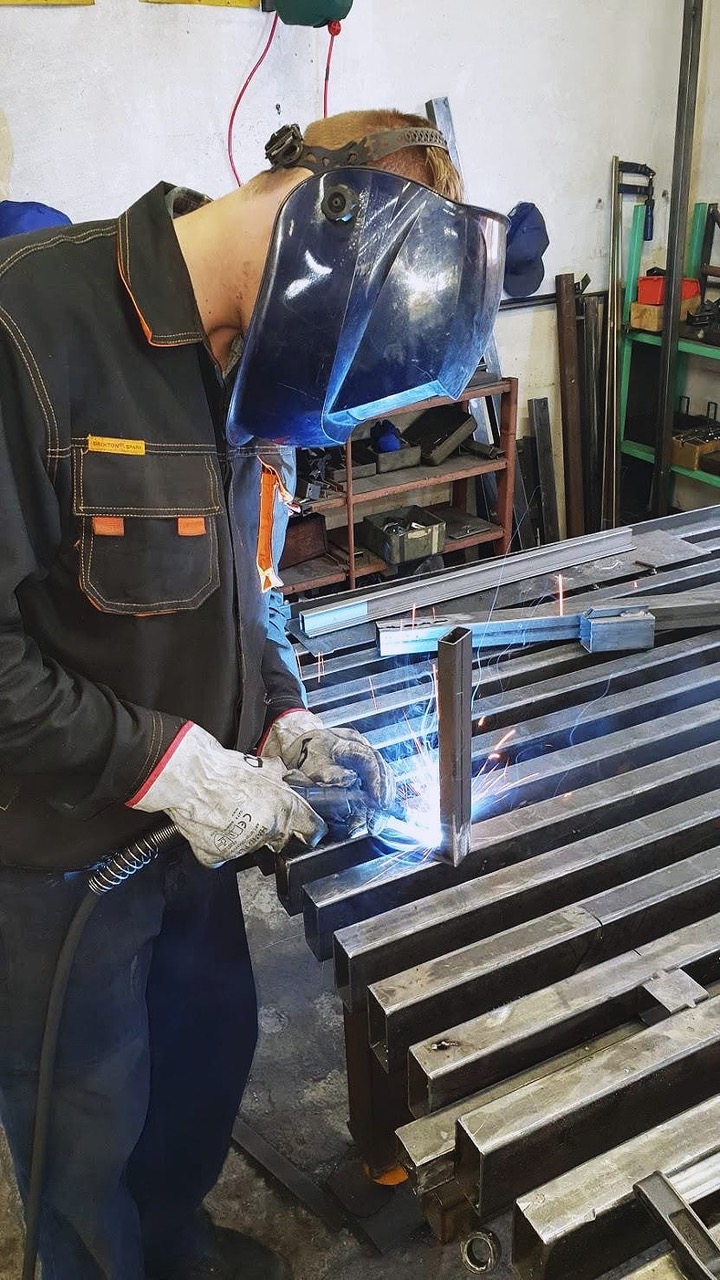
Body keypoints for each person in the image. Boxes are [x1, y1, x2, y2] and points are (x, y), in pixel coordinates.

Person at [0, 108, 503, 1280]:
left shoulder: (239, 358)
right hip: (59, 871)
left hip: (197, 843)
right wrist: (175, 766)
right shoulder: (29, 331)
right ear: (322, 225)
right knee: (85, 1146)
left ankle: (173, 1249)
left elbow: (237, 591)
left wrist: (282, 711)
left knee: (198, 1080)